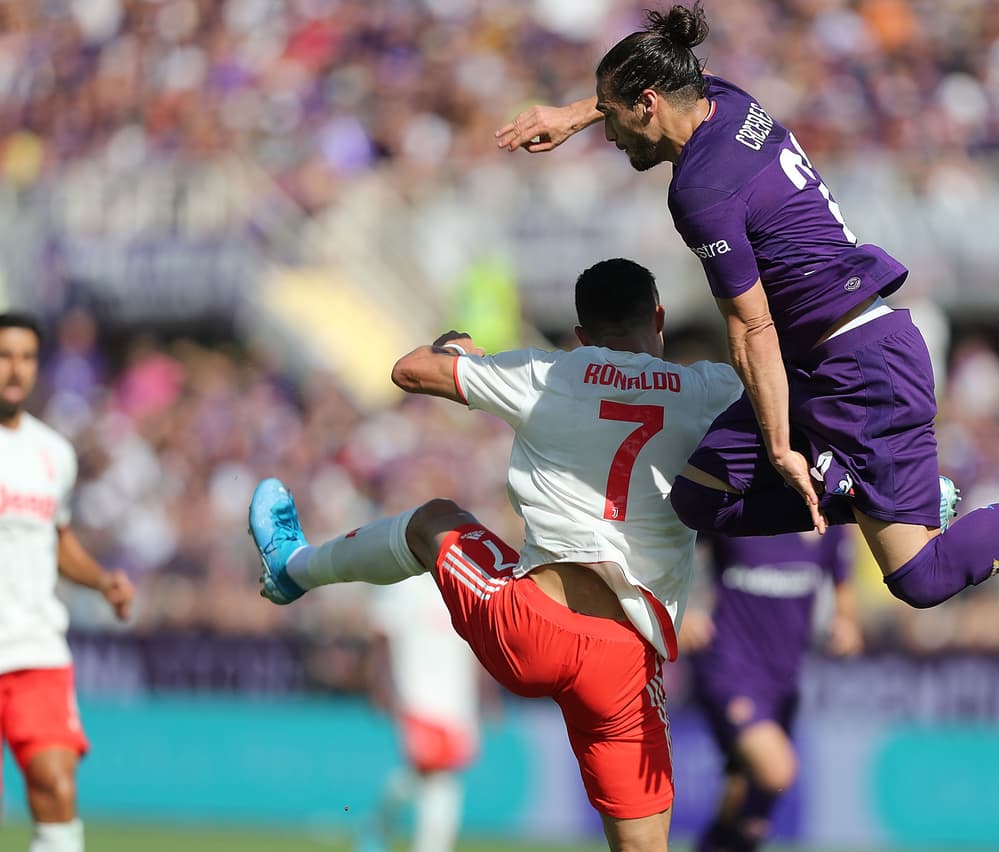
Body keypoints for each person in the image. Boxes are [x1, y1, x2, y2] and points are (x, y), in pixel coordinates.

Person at [494, 2, 999, 609]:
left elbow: (750, 328)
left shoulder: (699, 190)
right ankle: (889, 491)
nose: (611, 134)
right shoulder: (730, 103)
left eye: (614, 118)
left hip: (858, 370)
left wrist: (779, 448)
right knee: (699, 500)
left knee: (919, 579)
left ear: (649, 102)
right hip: (823, 358)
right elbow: (658, 82)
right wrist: (576, 112)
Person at [248, 259, 743, 852]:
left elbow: (409, 372)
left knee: (434, 522)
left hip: (534, 627)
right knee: (644, 847)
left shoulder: (551, 373)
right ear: (658, 318)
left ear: (582, 334)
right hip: (628, 663)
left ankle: (293, 568)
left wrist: (458, 349)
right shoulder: (712, 390)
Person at [0, 312, 135, 852]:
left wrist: (102, 581)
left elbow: (56, 540)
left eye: (27, 358)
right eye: (5, 356)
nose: (16, 369)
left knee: (55, 784)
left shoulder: (53, 453)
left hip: (35, 648)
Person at [678, 530, 860, 852]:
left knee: (746, 801)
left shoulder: (827, 526)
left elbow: (841, 582)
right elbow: (678, 543)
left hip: (783, 682)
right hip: (728, 669)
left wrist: (846, 621)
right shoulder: (741, 508)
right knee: (776, 771)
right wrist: (682, 609)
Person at [360, 574, 481, 852]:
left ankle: (380, 821)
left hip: (459, 702)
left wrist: (485, 697)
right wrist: (381, 686)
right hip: (417, 696)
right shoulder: (403, 583)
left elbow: (474, 646)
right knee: (436, 773)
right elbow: (382, 635)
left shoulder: (461, 581)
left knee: (434, 776)